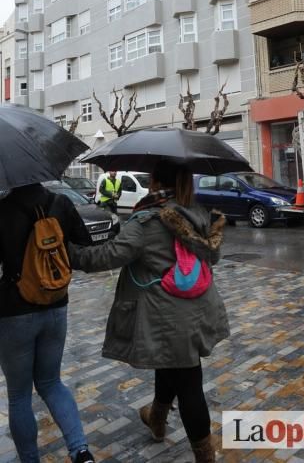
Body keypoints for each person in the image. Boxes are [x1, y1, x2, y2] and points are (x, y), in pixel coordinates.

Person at [68, 162, 229, 463]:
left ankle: (205, 457)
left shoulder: (147, 220)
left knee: (189, 385)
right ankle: (156, 419)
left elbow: (110, 255)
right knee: (172, 364)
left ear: (154, 181)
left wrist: (71, 253)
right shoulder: (198, 213)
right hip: (199, 308)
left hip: (169, 317)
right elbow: (213, 256)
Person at [0, 183, 95, 463]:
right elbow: (84, 245)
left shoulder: (2, 209)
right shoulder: (62, 202)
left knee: (19, 396)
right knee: (52, 382)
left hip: (13, 311)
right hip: (56, 304)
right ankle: (81, 451)